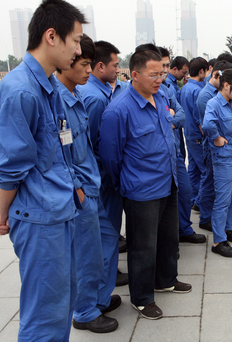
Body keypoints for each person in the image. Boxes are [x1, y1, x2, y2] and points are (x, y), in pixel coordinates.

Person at [0, 0, 85, 341]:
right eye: (75, 41)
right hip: (40, 217)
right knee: (45, 316)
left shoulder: (49, 86)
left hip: (58, 210)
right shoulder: (21, 90)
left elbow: (58, 147)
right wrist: (1, 213)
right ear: (52, 36)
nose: (78, 50)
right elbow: (11, 165)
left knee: (61, 305)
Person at [100, 50, 192, 319]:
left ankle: (165, 280)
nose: (159, 79)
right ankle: (141, 297)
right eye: (154, 75)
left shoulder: (161, 96)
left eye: (162, 74)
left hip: (169, 180)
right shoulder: (118, 110)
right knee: (143, 246)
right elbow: (110, 156)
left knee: (168, 238)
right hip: (141, 190)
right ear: (135, 75)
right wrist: (127, 182)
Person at [54, 34, 119, 333]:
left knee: (100, 247)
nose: (87, 70)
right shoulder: (57, 101)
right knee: (85, 254)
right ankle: (84, 311)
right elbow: (55, 154)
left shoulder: (77, 95)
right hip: (79, 192)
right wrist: (78, 188)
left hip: (90, 187)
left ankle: (95, 300)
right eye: (82, 63)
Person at [78, 41, 128, 289]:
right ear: (100, 66)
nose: (119, 70)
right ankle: (105, 279)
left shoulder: (99, 91)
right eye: (115, 65)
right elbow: (100, 144)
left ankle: (106, 279)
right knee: (107, 231)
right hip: (102, 176)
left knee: (106, 232)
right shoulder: (96, 98)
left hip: (99, 175)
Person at [149, 44, 205, 244]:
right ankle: (165, 239)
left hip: (175, 153)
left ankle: (183, 229)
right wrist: (168, 118)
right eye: (161, 66)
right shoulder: (134, 97)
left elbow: (181, 116)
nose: (164, 70)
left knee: (184, 192)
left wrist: (168, 120)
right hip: (155, 158)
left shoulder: (167, 90)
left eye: (166, 65)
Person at [202, 69, 232, 257]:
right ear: (227, 85)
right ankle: (218, 241)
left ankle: (229, 228)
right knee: (222, 199)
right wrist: (217, 137)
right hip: (224, 157)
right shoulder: (214, 104)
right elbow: (207, 125)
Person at [196, 61, 232, 232]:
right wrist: (217, 137)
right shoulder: (207, 97)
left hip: (229, 148)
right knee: (209, 184)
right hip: (213, 147)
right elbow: (206, 125)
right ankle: (206, 217)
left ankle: (221, 220)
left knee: (223, 189)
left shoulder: (229, 98)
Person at [180, 57, 208, 211]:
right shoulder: (198, 90)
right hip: (198, 135)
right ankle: (200, 200)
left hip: (189, 134)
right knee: (205, 170)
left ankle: (192, 198)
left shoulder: (185, 88)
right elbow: (199, 118)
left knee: (193, 168)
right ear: (202, 71)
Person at [166, 56, 190, 159]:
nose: (185, 75)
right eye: (183, 72)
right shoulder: (167, 84)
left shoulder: (174, 83)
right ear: (175, 69)